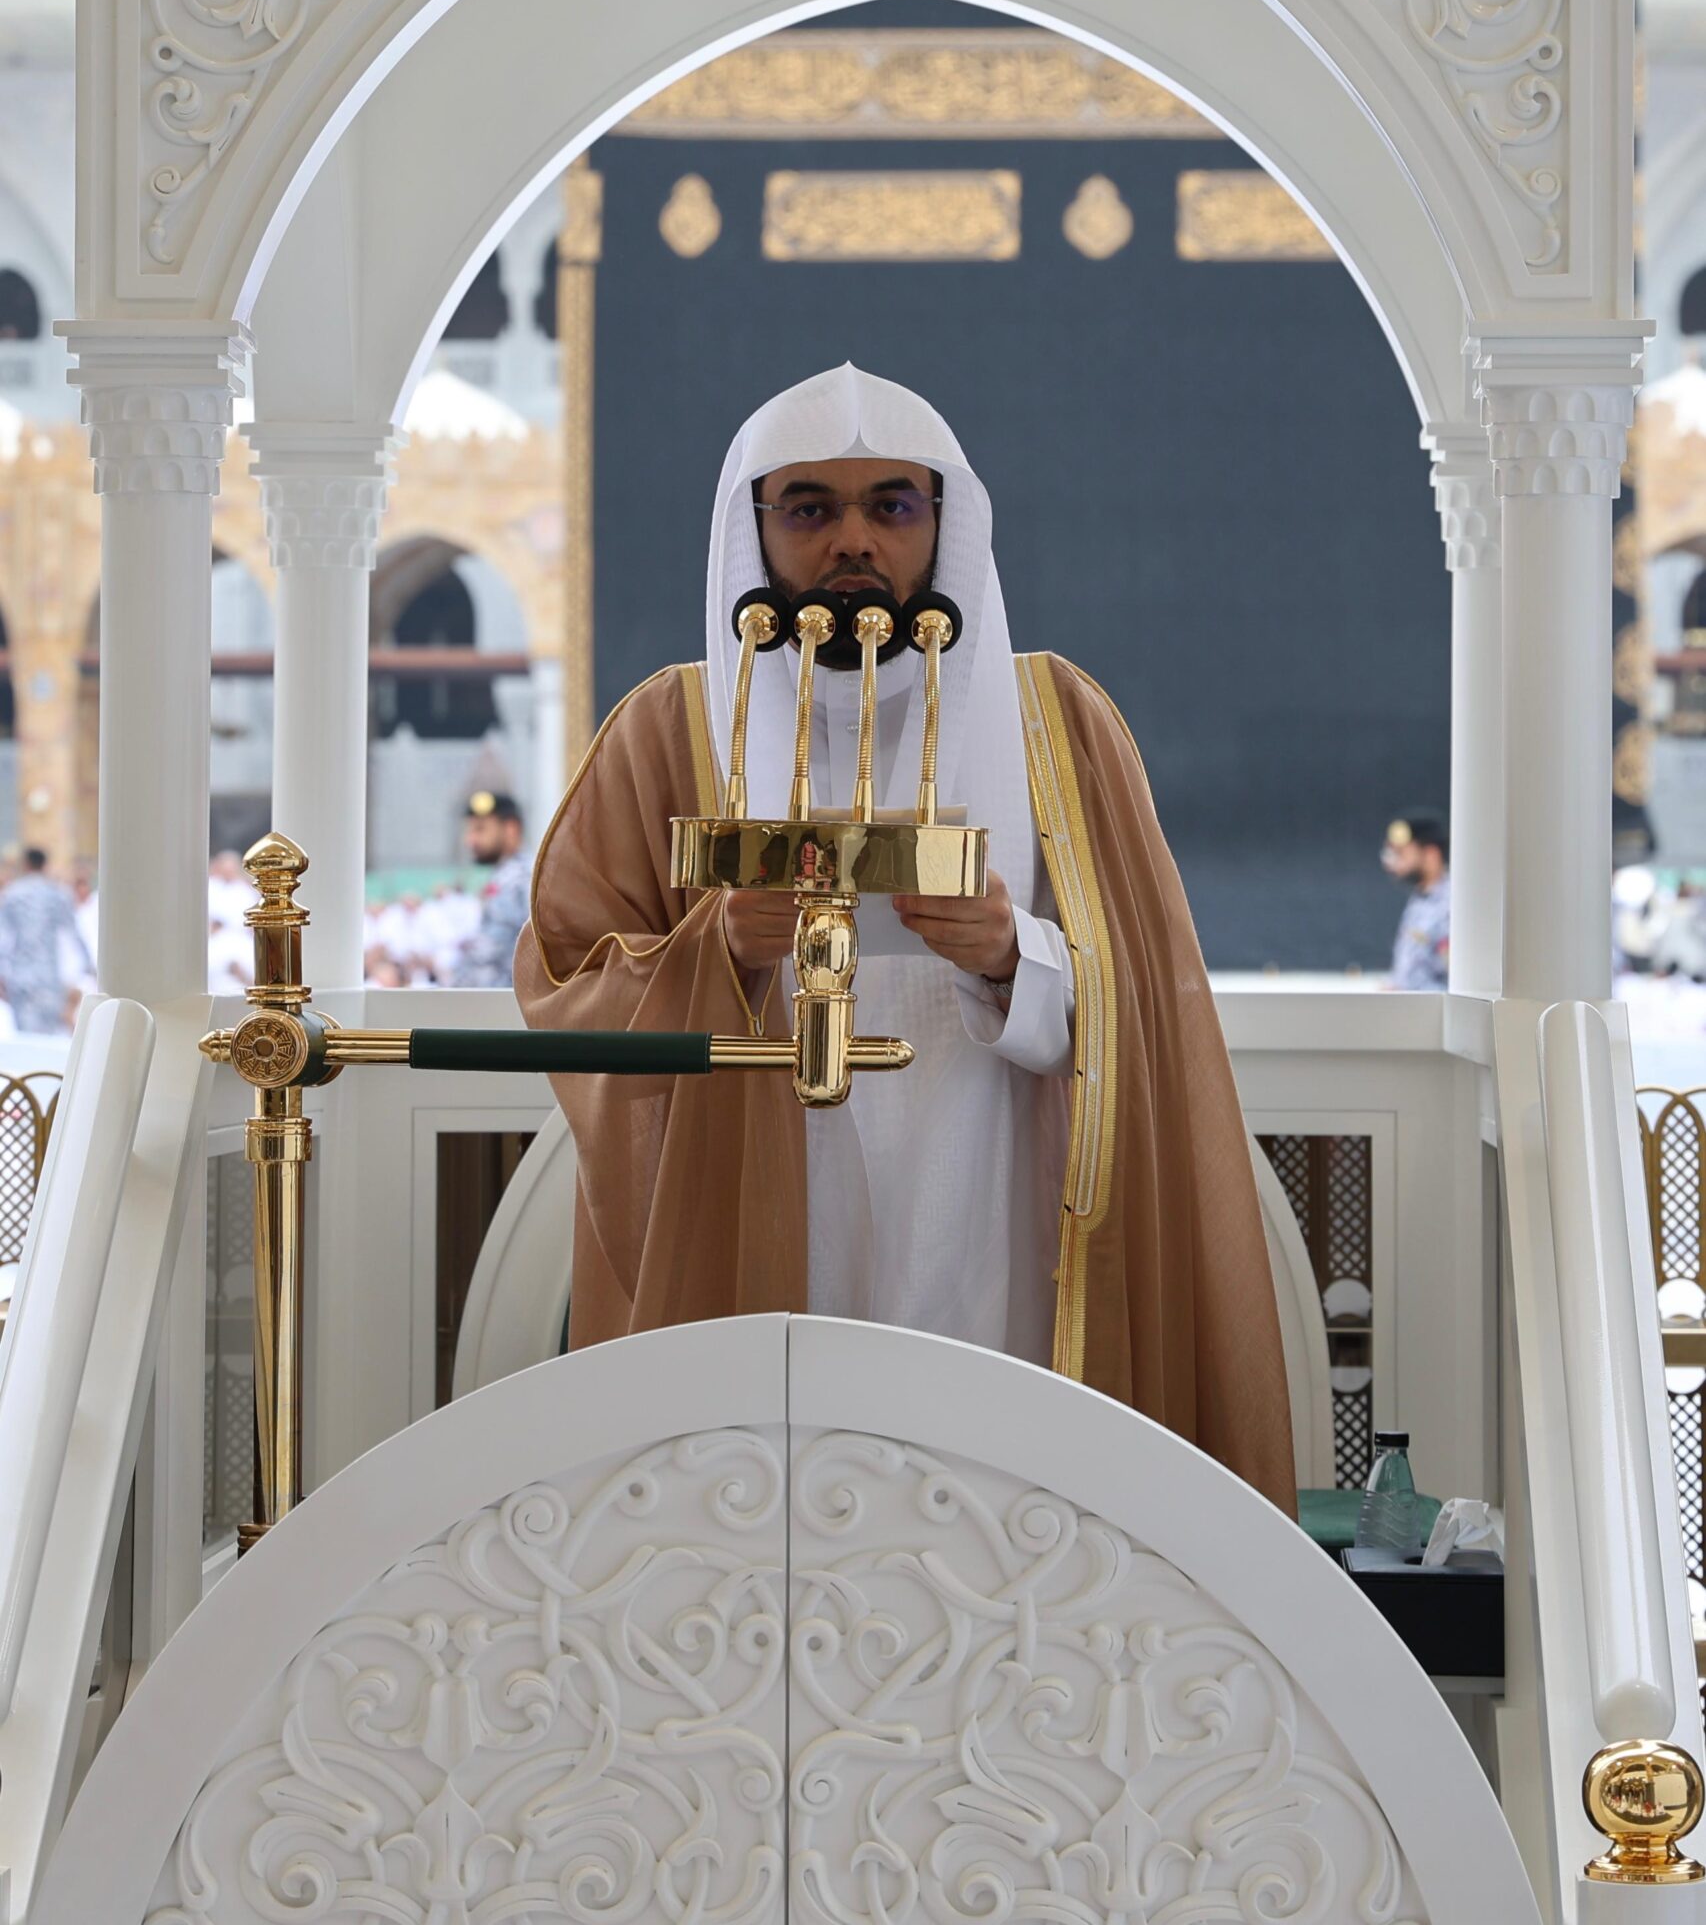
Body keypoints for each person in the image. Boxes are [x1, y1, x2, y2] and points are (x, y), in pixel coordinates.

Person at [517, 363, 1295, 1512]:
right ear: (756, 530)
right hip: (761, 1201)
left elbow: (1152, 1008)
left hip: (994, 1196)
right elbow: (562, 990)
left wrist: (1007, 956)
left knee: (985, 1513)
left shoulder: (1056, 723)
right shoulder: (663, 729)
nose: (850, 543)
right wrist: (714, 951)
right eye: (808, 508)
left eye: (890, 506)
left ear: (942, 522)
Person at [0, 847, 93, 1034]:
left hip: (21, 979)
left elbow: (4, 940)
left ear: (25, 865)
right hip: (51, 977)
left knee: (27, 1038)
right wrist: (88, 968)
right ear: (44, 865)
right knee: (49, 1037)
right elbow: (73, 935)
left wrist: (2, 974)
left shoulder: (12, 895)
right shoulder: (57, 894)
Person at [451, 790, 533, 987]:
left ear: (511, 829)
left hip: (504, 1007)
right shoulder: (505, 876)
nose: (469, 840)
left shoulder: (525, 879)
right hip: (488, 1005)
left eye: (480, 829)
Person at [1382, 812, 1451, 991]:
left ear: (1431, 854)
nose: (1395, 861)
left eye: (1402, 852)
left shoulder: (1453, 905)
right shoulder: (1420, 899)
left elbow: (1457, 987)